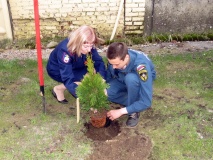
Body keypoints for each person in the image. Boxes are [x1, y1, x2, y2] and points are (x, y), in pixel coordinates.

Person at [46, 25, 106, 104]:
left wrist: (101, 78)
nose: (89, 49)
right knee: (86, 81)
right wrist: (82, 95)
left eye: (91, 46)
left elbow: (98, 62)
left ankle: (61, 87)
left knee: (94, 75)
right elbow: (67, 78)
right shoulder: (65, 51)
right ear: (78, 42)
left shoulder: (88, 43)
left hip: (76, 66)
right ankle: (58, 89)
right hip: (58, 70)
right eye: (86, 46)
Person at [106, 42, 156, 127]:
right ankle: (134, 101)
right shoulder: (116, 59)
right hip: (122, 77)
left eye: (116, 64)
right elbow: (109, 77)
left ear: (126, 58)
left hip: (137, 81)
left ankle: (132, 110)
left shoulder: (141, 67)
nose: (113, 66)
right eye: (111, 63)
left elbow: (147, 102)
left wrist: (121, 111)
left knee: (131, 79)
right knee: (107, 93)